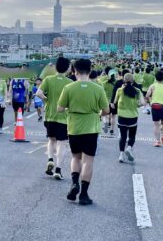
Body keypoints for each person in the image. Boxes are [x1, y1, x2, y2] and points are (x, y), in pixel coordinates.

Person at [57, 59, 108, 205]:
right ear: (90, 71)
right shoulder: (98, 88)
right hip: (91, 128)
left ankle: (74, 183)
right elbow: (106, 110)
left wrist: (71, 108)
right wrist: (98, 113)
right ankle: (84, 194)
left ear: (75, 71)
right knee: (88, 161)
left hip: (74, 127)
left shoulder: (68, 88)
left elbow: (59, 109)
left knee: (76, 158)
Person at [37, 56, 72, 180]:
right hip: (63, 117)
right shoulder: (70, 82)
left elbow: (38, 93)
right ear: (67, 68)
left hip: (50, 116)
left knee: (51, 140)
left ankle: (50, 159)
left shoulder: (48, 79)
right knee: (61, 143)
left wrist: (46, 100)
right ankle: (58, 169)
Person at [113, 72, 145, 163]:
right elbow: (143, 103)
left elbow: (115, 101)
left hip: (122, 116)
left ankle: (121, 155)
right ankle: (129, 148)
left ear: (124, 80)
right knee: (132, 136)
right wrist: (137, 105)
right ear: (133, 81)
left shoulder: (119, 90)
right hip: (133, 117)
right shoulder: (137, 91)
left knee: (123, 136)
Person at [145, 69, 163, 147]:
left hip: (155, 106)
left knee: (156, 125)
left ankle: (158, 141)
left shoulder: (152, 86)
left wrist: (150, 101)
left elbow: (147, 96)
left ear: (155, 78)